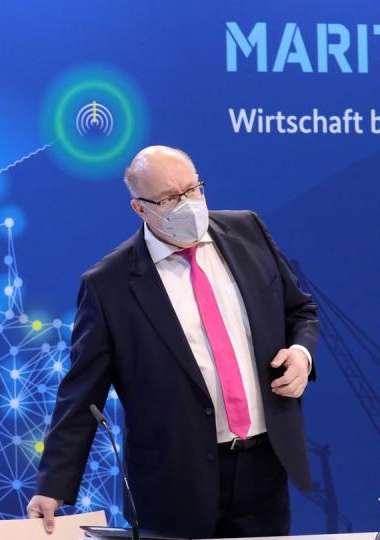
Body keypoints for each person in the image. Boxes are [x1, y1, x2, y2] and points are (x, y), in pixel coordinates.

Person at [26, 146, 318, 538]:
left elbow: (300, 311)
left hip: (264, 468)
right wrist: (53, 484)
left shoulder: (248, 231)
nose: (188, 204)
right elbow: (82, 393)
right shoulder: (108, 285)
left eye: (193, 190)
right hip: (172, 484)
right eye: (169, 198)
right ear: (139, 208)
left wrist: (301, 354)